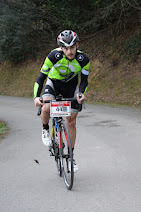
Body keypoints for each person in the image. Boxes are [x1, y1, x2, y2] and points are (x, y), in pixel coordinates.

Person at [33, 30, 90, 173]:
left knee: (71, 121)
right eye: (66, 48)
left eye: (72, 47)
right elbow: (41, 78)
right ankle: (45, 128)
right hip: (53, 83)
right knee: (46, 108)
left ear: (77, 45)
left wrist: (81, 94)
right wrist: (36, 96)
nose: (69, 51)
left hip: (71, 87)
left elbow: (84, 81)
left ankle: (70, 157)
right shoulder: (53, 56)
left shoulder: (83, 59)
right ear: (61, 48)